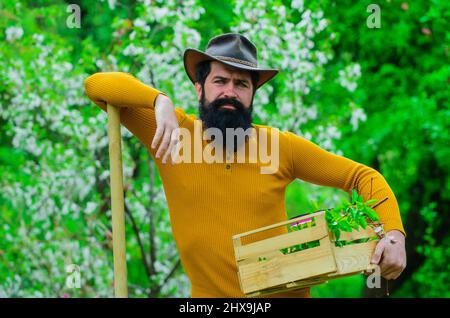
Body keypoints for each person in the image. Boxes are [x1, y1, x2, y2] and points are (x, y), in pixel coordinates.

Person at [84, 33, 406, 298]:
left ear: (252, 94)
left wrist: (394, 235)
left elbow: (362, 176)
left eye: (241, 85)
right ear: (199, 88)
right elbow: (97, 86)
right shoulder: (173, 134)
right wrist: (158, 100)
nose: (230, 92)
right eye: (220, 81)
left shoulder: (279, 146)